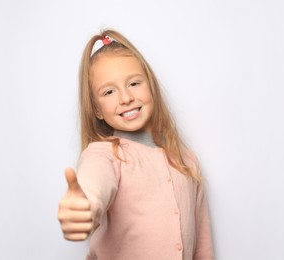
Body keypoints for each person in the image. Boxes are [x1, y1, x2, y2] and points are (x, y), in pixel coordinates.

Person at [57, 29, 214, 260]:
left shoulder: (187, 161)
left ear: (150, 86)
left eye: (133, 83)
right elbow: (94, 182)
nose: (125, 98)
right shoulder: (105, 154)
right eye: (109, 91)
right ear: (97, 110)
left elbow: (203, 247)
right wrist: (84, 206)